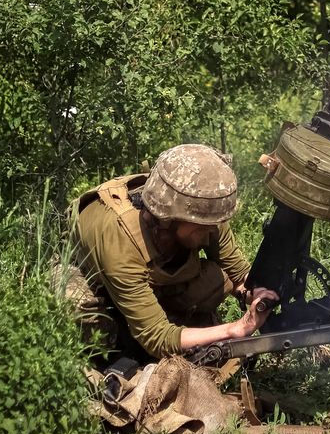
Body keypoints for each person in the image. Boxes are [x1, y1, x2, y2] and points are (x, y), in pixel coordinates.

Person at [68, 144, 278, 363]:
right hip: (90, 278)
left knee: (216, 280)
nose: (211, 232)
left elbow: (237, 272)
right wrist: (235, 329)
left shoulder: (205, 211)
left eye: (216, 224)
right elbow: (156, 339)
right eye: (202, 227)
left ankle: (166, 320)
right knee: (82, 320)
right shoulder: (120, 240)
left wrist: (253, 293)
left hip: (148, 276)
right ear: (167, 219)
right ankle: (123, 338)